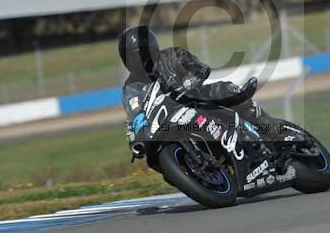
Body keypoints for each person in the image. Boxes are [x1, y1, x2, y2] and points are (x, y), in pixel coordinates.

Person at [118, 25, 276, 159]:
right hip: (172, 121)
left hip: (199, 98)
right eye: (131, 57)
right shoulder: (131, 87)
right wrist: (135, 138)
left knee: (225, 89)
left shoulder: (172, 56)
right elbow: (134, 115)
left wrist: (188, 83)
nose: (136, 61)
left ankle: (270, 129)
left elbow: (201, 68)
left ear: (151, 50)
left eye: (139, 54)